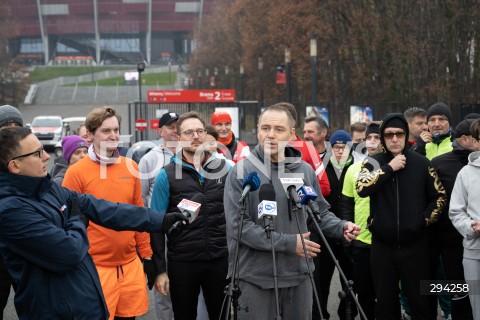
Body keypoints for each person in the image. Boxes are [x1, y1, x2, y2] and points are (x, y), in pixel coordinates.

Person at [0, 126, 186, 320]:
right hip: (55, 312)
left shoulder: (46, 188)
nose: (47, 156)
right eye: (38, 153)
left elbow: (102, 208)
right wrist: (77, 219)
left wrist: (159, 220)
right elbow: (69, 251)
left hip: (82, 306)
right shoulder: (11, 211)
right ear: (15, 166)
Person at [224, 104, 360, 319]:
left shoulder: (304, 171)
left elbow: (320, 213)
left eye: (279, 129)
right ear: (257, 130)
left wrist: (341, 226)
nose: (271, 135)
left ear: (291, 133)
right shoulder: (241, 173)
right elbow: (238, 227)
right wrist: (289, 243)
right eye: (265, 128)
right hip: (255, 278)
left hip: (298, 276)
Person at [62, 107, 155, 320]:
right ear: (90, 135)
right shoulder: (75, 172)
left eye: (116, 129)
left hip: (130, 265)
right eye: (106, 131)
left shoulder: (130, 166)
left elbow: (138, 213)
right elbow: (67, 223)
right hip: (95, 269)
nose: (113, 135)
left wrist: (147, 255)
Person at [356, 113, 447, 319]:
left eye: (399, 134)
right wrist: (389, 168)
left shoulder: (422, 163)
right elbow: (361, 187)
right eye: (389, 135)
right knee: (386, 305)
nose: (394, 139)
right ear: (382, 138)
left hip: (416, 246)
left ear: (406, 136)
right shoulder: (373, 162)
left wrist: (422, 221)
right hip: (382, 247)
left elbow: (439, 197)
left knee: (421, 303)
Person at [151, 111, 231, 320]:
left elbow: (236, 216)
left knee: (221, 315)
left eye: (199, 131)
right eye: (188, 132)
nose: (195, 136)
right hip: (183, 263)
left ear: (205, 134)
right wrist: (160, 270)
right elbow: (155, 225)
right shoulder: (165, 175)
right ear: (178, 137)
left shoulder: (226, 170)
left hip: (219, 260)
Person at [430, 119, 479, 320]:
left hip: (465, 243)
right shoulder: (457, 169)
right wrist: (470, 226)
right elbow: (450, 209)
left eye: (441, 119)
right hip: (457, 245)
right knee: (460, 293)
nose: (436, 123)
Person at [137, 111, 179, 320]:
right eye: (170, 127)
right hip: (161, 233)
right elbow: (141, 197)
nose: (175, 131)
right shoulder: (149, 159)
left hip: (188, 232)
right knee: (165, 294)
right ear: (160, 131)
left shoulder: (194, 154)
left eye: (177, 126)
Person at [340, 122, 382, 320]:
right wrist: (349, 236)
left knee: (388, 294)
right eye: (369, 138)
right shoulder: (353, 169)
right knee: (364, 294)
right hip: (362, 242)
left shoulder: (395, 166)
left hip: (387, 243)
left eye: (377, 137)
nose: (372, 142)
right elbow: (346, 206)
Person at [315, 129, 356, 320]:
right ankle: (322, 314)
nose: (340, 151)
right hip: (327, 234)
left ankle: (346, 314)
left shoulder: (357, 168)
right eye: (336, 147)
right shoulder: (321, 168)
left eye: (344, 147)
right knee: (321, 281)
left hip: (349, 233)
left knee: (350, 282)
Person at [449, 118, 480, 318]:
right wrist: (471, 226)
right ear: (475, 142)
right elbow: (456, 212)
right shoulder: (466, 174)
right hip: (474, 251)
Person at [0, 104, 23, 320]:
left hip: (24, 247)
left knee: (33, 306)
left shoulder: (31, 159)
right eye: (6, 125)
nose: (12, 130)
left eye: (16, 125)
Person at [279, 102, 331, 197]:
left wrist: (299, 195)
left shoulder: (309, 149)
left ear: (292, 122)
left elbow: (324, 187)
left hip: (300, 209)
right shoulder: (269, 148)